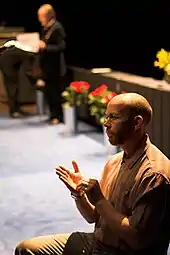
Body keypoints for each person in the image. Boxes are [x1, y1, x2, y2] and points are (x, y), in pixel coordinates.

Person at [15, 92, 170, 255]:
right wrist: (79, 194)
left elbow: (136, 238)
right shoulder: (115, 161)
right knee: (26, 249)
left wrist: (100, 201)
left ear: (137, 123)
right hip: (98, 244)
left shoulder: (154, 174)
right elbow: (94, 216)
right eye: (106, 117)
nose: (106, 124)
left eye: (114, 117)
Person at [36, 4, 66, 125]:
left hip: (56, 67)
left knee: (55, 92)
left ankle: (57, 116)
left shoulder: (57, 27)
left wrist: (45, 47)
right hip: (47, 67)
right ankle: (52, 114)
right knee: (48, 91)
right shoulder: (46, 28)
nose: (39, 19)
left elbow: (61, 47)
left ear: (48, 16)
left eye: (41, 16)